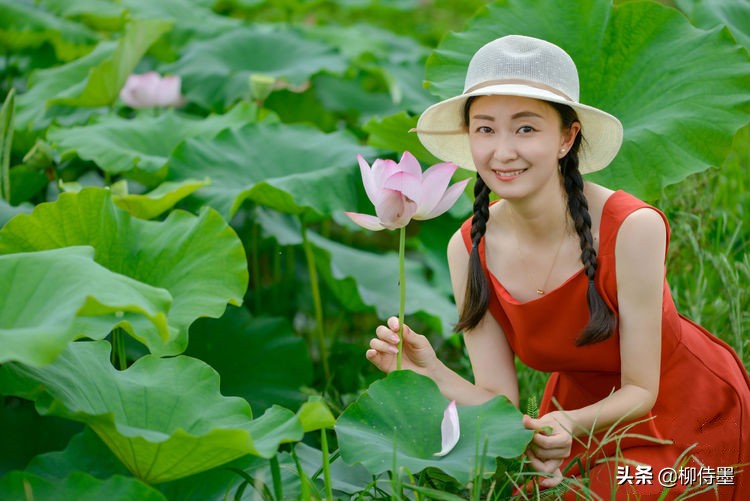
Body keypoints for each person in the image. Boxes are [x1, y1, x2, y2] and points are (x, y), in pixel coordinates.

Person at [365, 35, 750, 499]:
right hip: (566, 420)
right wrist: (431, 372)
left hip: (684, 412)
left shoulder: (633, 227)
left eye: (525, 129)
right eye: (485, 129)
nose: (502, 151)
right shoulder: (467, 248)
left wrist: (567, 423)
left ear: (567, 137)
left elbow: (641, 391)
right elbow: (500, 403)